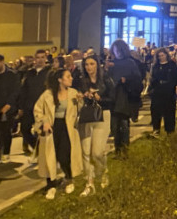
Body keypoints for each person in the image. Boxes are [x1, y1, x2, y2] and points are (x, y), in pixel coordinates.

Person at [34, 68, 83, 200]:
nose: (71, 78)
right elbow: (38, 110)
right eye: (68, 76)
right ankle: (51, 185)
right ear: (60, 80)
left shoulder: (73, 93)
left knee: (65, 155)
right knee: (50, 156)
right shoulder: (48, 94)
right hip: (51, 128)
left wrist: (80, 101)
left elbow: (79, 111)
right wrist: (44, 122)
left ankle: (69, 179)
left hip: (67, 128)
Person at [76, 56, 114, 196]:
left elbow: (113, 98)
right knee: (86, 151)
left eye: (92, 64)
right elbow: (76, 94)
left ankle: (103, 171)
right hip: (87, 115)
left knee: (97, 152)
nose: (89, 67)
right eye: (86, 64)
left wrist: (100, 99)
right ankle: (89, 183)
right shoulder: (81, 81)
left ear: (97, 65)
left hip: (102, 115)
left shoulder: (105, 79)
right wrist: (82, 96)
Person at [107, 39, 142, 158]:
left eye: (120, 50)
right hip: (114, 98)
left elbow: (137, 80)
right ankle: (117, 150)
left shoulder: (130, 63)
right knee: (115, 126)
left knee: (124, 125)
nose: (118, 53)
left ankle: (125, 149)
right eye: (116, 50)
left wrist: (126, 80)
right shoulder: (111, 64)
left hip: (126, 97)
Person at [17, 49, 50, 157]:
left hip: (42, 108)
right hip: (29, 106)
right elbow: (23, 90)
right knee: (24, 129)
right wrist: (21, 106)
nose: (40, 60)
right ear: (35, 59)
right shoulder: (29, 73)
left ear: (45, 58)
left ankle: (42, 153)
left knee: (41, 132)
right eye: (38, 57)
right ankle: (38, 148)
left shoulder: (49, 73)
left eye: (42, 57)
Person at [0, 54, 20, 163]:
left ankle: (6, 153)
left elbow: (16, 91)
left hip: (8, 108)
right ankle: (0, 149)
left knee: (6, 131)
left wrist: (9, 104)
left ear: (2, 62)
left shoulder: (12, 75)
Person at [148, 48, 177, 137]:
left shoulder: (171, 65)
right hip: (157, 90)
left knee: (169, 111)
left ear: (166, 55)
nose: (161, 57)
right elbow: (152, 78)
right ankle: (156, 129)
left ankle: (170, 130)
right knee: (156, 110)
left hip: (169, 89)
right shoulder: (155, 66)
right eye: (159, 56)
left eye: (162, 55)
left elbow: (175, 77)